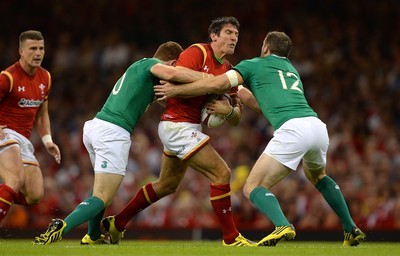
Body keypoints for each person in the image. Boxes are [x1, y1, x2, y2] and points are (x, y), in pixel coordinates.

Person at [154, 31, 367, 247]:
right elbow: (259, 102)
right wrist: (236, 102)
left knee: (252, 186)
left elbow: (218, 84)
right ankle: (350, 228)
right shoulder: (291, 70)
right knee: (319, 176)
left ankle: (282, 224)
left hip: (292, 129)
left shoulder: (253, 65)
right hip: (317, 127)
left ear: (265, 47)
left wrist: (178, 90)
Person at [33, 41, 208, 245]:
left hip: (95, 126)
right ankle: (61, 227)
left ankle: (93, 236)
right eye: (177, 66)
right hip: (113, 133)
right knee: (103, 197)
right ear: (172, 62)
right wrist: (208, 78)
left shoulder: (144, 75)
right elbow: (173, 75)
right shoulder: (151, 64)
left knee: (99, 188)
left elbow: (172, 101)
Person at [102, 17, 253, 246]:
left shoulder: (228, 71)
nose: (234, 38)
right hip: (176, 125)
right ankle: (231, 238)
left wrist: (229, 111)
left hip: (188, 127)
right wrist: (207, 85)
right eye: (229, 32)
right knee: (222, 173)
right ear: (213, 35)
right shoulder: (197, 52)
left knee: (166, 185)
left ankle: (117, 223)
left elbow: (236, 117)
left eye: (236, 34)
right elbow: (172, 81)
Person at [0, 30, 61, 226]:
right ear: (21, 51)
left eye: (41, 48)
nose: (38, 53)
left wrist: (48, 140)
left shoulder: (46, 78)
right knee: (15, 180)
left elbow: (42, 114)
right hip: (4, 132)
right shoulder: (7, 77)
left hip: (24, 139)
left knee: (35, 195)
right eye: (33, 48)